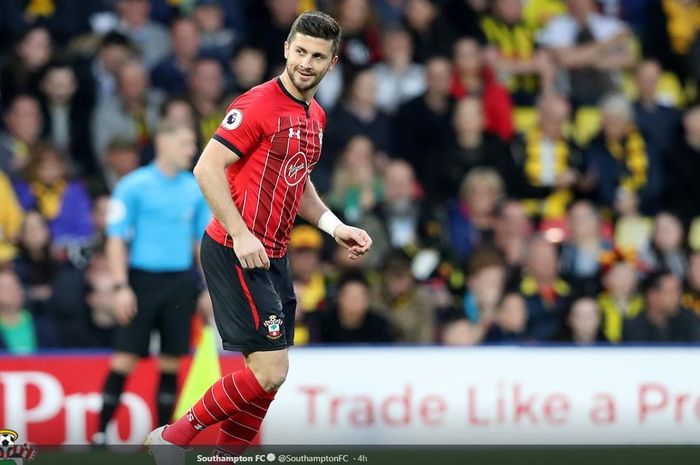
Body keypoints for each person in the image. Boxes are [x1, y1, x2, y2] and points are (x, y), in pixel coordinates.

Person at [146, 11, 372, 463]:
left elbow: (297, 181)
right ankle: (172, 438)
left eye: (318, 56)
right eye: (301, 51)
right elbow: (206, 168)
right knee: (271, 368)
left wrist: (334, 226)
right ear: (286, 49)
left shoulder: (316, 116)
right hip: (236, 249)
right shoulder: (257, 104)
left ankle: (226, 457)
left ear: (332, 63)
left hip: (274, 254)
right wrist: (240, 232)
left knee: (269, 374)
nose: (307, 62)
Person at [92, 120, 210, 446]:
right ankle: (100, 434)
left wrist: (208, 288)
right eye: (186, 143)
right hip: (141, 282)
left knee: (172, 361)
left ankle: (161, 438)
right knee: (124, 358)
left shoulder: (194, 187)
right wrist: (120, 286)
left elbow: (203, 243)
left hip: (180, 283)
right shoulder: (133, 186)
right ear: (164, 143)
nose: (192, 151)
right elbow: (115, 239)